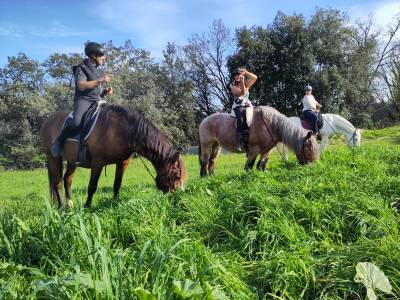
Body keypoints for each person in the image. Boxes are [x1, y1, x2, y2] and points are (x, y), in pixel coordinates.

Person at [50, 42, 113, 157]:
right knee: (77, 122)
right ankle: (59, 141)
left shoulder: (98, 70)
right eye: (102, 56)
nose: (104, 58)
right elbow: (82, 85)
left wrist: (105, 91)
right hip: (84, 100)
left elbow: (96, 90)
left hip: (97, 101)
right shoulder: (81, 68)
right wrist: (100, 80)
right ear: (94, 56)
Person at [230, 68, 257, 151]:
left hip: (248, 105)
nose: (237, 76)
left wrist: (246, 72)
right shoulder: (233, 86)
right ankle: (238, 142)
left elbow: (255, 78)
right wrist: (242, 80)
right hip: (238, 105)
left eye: (238, 74)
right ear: (234, 77)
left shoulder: (246, 84)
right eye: (235, 75)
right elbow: (242, 93)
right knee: (241, 120)